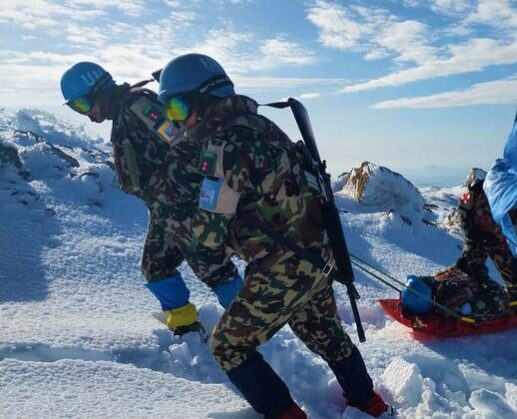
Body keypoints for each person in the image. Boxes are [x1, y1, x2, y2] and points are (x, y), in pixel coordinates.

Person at [156, 53, 390, 418]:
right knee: (325, 334)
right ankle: (369, 404)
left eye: (176, 109)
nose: (177, 121)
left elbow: (208, 233)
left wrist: (175, 216)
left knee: (229, 347)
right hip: (318, 257)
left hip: (282, 268)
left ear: (200, 101)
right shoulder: (264, 127)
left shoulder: (224, 145)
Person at [59, 62, 242, 335]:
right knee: (155, 266)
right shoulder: (123, 114)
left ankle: (251, 328)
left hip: (186, 206)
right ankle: (186, 327)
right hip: (164, 210)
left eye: (84, 105)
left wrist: (198, 196)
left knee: (213, 269)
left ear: (99, 91)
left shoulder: (139, 108)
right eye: (76, 109)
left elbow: (191, 143)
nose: (86, 114)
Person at [455, 177, 517, 286]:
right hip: (477, 238)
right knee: (468, 273)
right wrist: (471, 232)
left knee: (516, 278)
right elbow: (462, 210)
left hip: (501, 242)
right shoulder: (477, 188)